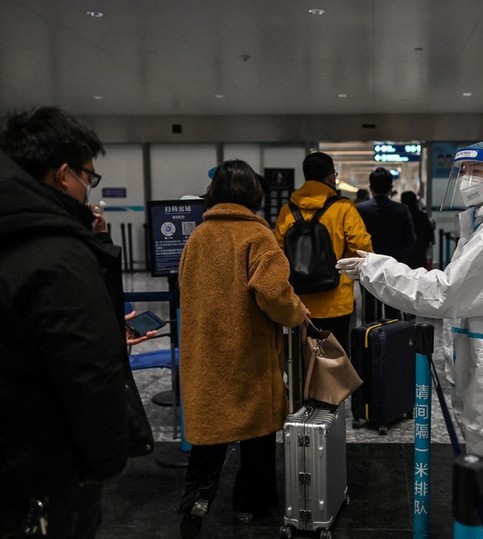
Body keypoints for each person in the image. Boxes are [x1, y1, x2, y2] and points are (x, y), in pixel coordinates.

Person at [337, 142, 483, 538]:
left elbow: (445, 293)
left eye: (477, 170)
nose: (467, 179)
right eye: (463, 170)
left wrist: (375, 267)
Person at [0, 107, 144, 538]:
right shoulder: (59, 254)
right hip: (43, 470)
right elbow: (88, 370)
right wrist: (104, 462)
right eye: (89, 176)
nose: (88, 188)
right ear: (64, 174)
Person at [176, 159, 310, 537]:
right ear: (254, 194)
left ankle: (196, 507)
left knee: (209, 438)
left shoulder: (198, 237)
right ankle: (250, 506)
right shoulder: (257, 236)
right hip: (247, 354)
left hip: (206, 355)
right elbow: (273, 295)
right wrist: (297, 313)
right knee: (257, 436)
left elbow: (185, 291)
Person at [273, 152, 372, 352]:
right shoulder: (343, 207)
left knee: (304, 355)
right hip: (336, 299)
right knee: (336, 355)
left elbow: (278, 252)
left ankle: (309, 384)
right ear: (329, 177)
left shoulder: (287, 210)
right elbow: (362, 247)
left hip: (301, 302)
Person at [356, 167, 416, 321]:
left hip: (367, 265)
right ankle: (393, 340)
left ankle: (368, 340)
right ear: (391, 188)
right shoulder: (402, 210)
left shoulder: (359, 210)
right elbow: (410, 239)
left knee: (368, 308)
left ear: (370, 188)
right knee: (393, 306)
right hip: (393, 266)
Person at [399, 190, 435, 270]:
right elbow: (429, 236)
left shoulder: (398, 217)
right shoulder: (422, 216)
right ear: (416, 201)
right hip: (419, 255)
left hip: (402, 256)